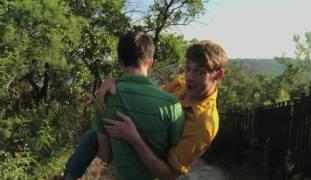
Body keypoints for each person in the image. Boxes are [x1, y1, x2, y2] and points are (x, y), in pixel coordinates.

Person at [62, 40, 228, 180]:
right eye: (188, 68)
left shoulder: (205, 124)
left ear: (218, 75)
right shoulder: (182, 83)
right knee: (92, 136)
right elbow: (148, 97)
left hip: (151, 166)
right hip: (136, 143)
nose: (190, 76)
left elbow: (168, 174)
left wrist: (134, 138)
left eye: (199, 72)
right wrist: (114, 82)